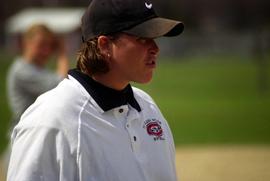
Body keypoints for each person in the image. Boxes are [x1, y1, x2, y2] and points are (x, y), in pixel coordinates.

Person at [7, 0, 184, 180]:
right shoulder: (50, 121)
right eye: (142, 38)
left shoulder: (148, 108)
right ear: (104, 45)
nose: (155, 48)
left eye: (154, 38)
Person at [6, 24, 69, 130]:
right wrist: (62, 53)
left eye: (50, 46)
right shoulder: (22, 70)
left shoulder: (38, 69)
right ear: (26, 43)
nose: (46, 51)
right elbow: (63, 85)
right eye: (41, 45)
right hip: (25, 137)